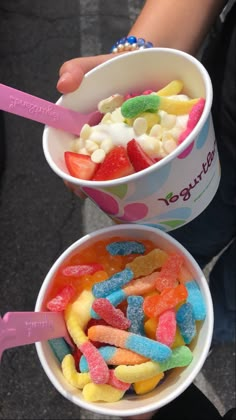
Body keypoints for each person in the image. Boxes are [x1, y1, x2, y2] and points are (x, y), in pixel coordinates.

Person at [56, 0, 236, 345]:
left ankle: (201, 336)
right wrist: (133, 61)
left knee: (225, 308)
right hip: (211, 149)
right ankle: (169, 331)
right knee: (165, 254)